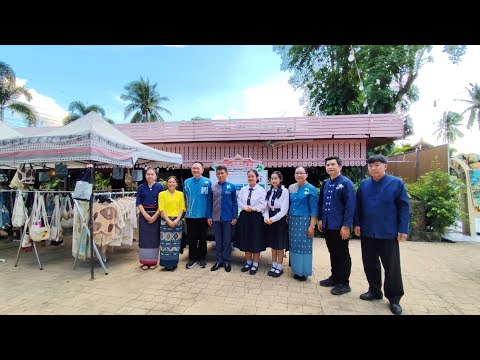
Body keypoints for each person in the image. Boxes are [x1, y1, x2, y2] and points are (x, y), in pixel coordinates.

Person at [354, 154, 410, 315]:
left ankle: (394, 298)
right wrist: (357, 223)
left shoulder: (396, 183)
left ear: (385, 166)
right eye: (370, 166)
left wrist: (403, 229)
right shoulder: (364, 185)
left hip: (388, 232)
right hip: (367, 231)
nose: (373, 168)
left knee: (391, 266)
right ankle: (374, 290)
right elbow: (358, 207)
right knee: (370, 263)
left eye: (377, 165)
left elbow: (404, 207)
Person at [317, 156, 355, 295]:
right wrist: (320, 219)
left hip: (340, 227)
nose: (330, 167)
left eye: (333, 164)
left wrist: (346, 225)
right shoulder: (326, 183)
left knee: (343, 254)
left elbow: (350, 206)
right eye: (328, 165)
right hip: (327, 225)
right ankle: (334, 277)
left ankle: (344, 283)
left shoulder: (346, 183)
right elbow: (321, 202)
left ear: (340, 167)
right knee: (333, 252)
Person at [288, 166, 318, 281]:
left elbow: (314, 209)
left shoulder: (311, 189)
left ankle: (303, 272)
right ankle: (295, 269)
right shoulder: (291, 187)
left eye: (301, 173)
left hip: (305, 221)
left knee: (304, 246)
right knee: (294, 245)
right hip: (292, 220)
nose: (299, 175)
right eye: (297, 173)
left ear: (306, 175)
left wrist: (311, 226)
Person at [207, 165, 237, 272]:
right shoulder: (213, 188)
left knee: (227, 241)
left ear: (226, 174)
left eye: (222, 173)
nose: (220, 175)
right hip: (215, 218)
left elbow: (235, 203)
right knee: (218, 241)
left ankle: (227, 261)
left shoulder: (231, 187)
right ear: (216, 175)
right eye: (218, 174)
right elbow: (209, 203)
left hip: (228, 218)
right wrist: (209, 216)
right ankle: (219, 261)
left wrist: (234, 216)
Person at [236, 169, 267, 275]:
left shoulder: (262, 190)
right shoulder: (243, 189)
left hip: (256, 217)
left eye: (252, 176)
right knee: (246, 239)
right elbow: (238, 201)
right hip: (245, 216)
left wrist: (252, 208)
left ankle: (255, 264)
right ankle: (248, 262)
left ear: (257, 178)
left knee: (255, 240)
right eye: (249, 176)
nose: (250, 178)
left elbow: (263, 204)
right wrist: (245, 207)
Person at [183, 161, 211, 269]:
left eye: (198, 168)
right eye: (194, 168)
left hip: (203, 216)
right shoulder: (187, 182)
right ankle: (192, 258)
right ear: (191, 170)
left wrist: (209, 215)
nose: (195, 170)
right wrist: (185, 213)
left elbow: (210, 200)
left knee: (203, 238)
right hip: (190, 215)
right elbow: (184, 199)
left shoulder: (208, 182)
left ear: (202, 170)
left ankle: (202, 258)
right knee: (191, 238)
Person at [136, 167, 164, 270]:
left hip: (156, 214)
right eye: (148, 174)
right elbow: (138, 202)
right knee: (144, 239)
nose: (150, 176)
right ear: (145, 175)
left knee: (154, 238)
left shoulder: (160, 187)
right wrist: (145, 214)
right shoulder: (141, 187)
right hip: (144, 215)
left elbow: (162, 203)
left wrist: (156, 215)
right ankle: (144, 261)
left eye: (152, 174)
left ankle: (153, 261)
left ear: (156, 176)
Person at [264, 171, 289, 278]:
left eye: (276, 178)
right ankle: (273, 265)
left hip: (279, 219)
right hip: (270, 217)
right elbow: (266, 207)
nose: (273, 180)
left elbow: (284, 210)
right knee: (273, 243)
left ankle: (279, 267)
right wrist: (266, 217)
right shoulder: (269, 191)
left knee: (279, 244)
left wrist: (272, 219)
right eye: (272, 178)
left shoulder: (284, 191)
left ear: (280, 179)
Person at [158, 176, 185, 271]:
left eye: (173, 182)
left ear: (176, 184)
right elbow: (161, 208)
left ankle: (174, 263)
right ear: (167, 183)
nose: (171, 184)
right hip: (165, 221)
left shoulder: (180, 194)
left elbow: (182, 208)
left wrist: (177, 220)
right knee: (165, 244)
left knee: (175, 244)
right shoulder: (161, 194)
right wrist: (168, 220)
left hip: (177, 221)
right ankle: (166, 264)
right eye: (169, 182)